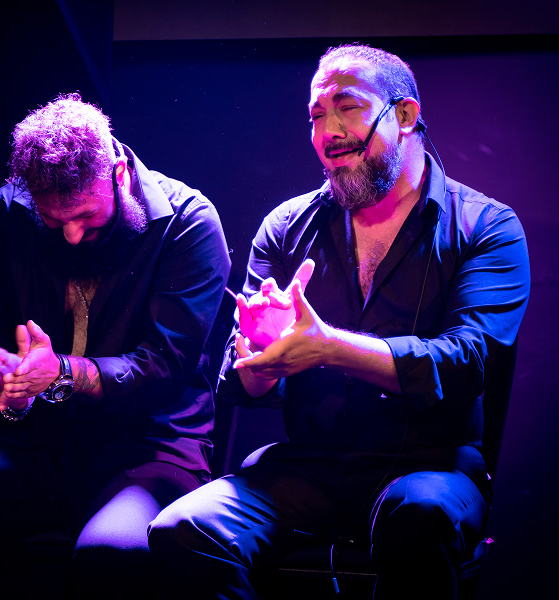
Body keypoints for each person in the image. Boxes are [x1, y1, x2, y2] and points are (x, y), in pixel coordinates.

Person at [147, 43, 530, 600]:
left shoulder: (486, 226)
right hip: (311, 466)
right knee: (185, 532)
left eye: (346, 106)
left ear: (404, 115)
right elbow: (241, 384)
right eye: (316, 115)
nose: (328, 130)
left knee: (418, 519)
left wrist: (329, 348)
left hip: (432, 469)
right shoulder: (286, 227)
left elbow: (468, 361)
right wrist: (261, 354)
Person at [0, 92, 231, 598]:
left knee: (109, 553)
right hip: (38, 448)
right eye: (53, 222)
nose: (71, 236)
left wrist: (61, 373)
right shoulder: (10, 212)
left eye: (87, 217)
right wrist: (7, 378)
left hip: (148, 451)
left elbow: (164, 368)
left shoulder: (189, 225)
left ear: (118, 172)